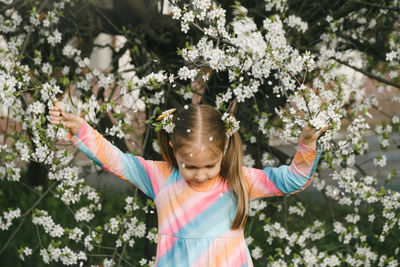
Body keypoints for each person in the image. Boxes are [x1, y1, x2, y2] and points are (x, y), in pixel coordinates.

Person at [49, 102, 326, 266]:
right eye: (190, 166)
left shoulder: (238, 180)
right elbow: (115, 159)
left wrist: (307, 145)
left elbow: (293, 179)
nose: (201, 174)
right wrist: (80, 129)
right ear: (173, 147)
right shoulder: (160, 177)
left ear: (225, 149)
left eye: (209, 165)